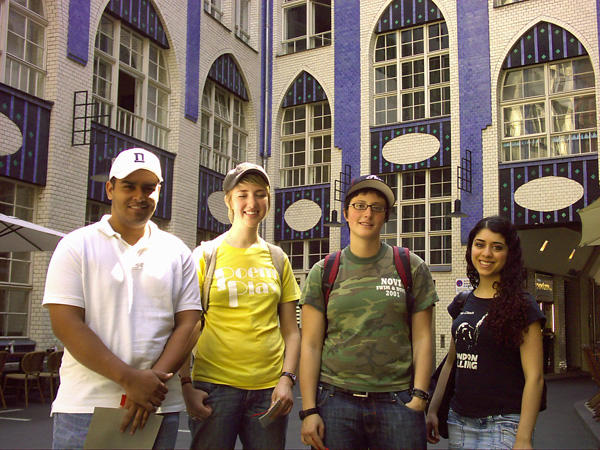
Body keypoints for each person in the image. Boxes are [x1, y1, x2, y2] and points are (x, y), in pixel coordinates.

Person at [43, 148, 202, 449]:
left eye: (148, 187)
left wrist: (151, 383)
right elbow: (66, 323)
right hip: (86, 407)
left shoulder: (177, 252)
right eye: (129, 186)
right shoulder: (76, 245)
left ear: (159, 191)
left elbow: (190, 323)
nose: (139, 196)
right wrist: (130, 380)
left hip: (157, 406)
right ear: (110, 189)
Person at [299, 174, 438, 450]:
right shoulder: (323, 271)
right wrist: (309, 410)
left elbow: (423, 338)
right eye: (360, 205)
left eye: (377, 207)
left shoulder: (410, 266)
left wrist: (420, 396)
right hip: (336, 403)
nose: (367, 214)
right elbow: (311, 345)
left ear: (386, 216)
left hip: (397, 402)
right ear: (346, 213)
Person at [179, 162, 301, 450]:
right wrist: (186, 385)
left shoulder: (277, 258)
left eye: (260, 194)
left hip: (267, 391)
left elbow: (291, 331)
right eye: (242, 194)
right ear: (228, 201)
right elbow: (188, 326)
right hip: (214, 387)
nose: (252, 203)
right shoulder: (206, 255)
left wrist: (286, 379)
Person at [426, 215, 545, 449]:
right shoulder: (462, 302)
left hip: (504, 424)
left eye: (497, 247)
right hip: (459, 421)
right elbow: (451, 362)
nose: (486, 253)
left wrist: (523, 438)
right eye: (480, 244)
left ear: (509, 254)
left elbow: (535, 378)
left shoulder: (522, 305)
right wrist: (433, 409)